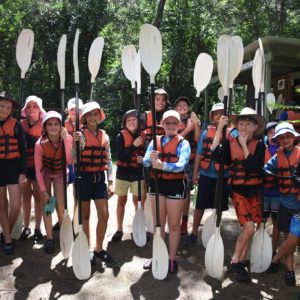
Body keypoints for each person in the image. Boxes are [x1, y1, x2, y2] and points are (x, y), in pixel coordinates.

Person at [212, 107, 266, 282]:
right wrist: (220, 129)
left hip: (255, 191)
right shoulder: (230, 143)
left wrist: (243, 145)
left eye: (247, 124)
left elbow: (254, 167)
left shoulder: (260, 146)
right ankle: (235, 261)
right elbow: (216, 156)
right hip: (238, 191)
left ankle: (242, 259)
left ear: (254, 127)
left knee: (251, 229)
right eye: (241, 123)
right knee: (249, 228)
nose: (243, 127)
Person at [143, 110, 191, 274]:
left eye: (174, 123)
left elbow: (182, 165)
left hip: (176, 185)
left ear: (179, 125)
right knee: (159, 224)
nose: (171, 126)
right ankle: (158, 255)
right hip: (157, 184)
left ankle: (171, 258)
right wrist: (151, 158)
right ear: (162, 124)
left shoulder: (183, 143)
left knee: (174, 225)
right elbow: (145, 161)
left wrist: (163, 165)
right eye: (167, 123)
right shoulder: (155, 142)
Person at [73, 101, 114, 264]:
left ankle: (99, 249)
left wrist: (111, 181)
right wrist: (74, 143)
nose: (92, 117)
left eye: (95, 114)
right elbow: (74, 159)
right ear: (84, 118)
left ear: (99, 116)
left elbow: (109, 159)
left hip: (99, 179)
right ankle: (87, 249)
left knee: (104, 215)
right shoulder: (79, 135)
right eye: (89, 114)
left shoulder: (105, 135)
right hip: (84, 178)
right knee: (85, 215)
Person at [184, 103, 229, 245]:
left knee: (219, 207)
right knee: (200, 205)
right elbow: (198, 155)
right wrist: (196, 173)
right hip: (206, 174)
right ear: (212, 117)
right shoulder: (205, 133)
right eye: (216, 113)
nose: (219, 116)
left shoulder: (231, 133)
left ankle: (215, 231)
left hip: (223, 176)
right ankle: (194, 232)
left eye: (222, 113)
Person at [264, 122, 300, 286]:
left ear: (293, 137)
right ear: (278, 140)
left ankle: (274, 260)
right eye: (282, 138)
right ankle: (290, 271)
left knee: (293, 238)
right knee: (287, 237)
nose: (285, 140)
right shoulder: (277, 157)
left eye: (288, 136)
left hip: (298, 204)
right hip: (285, 202)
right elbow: (266, 168)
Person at [34, 111, 73, 253]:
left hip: (60, 174)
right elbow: (38, 170)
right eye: (49, 124)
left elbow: (70, 160)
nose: (53, 127)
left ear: (61, 126)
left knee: (60, 206)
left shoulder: (66, 138)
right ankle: (49, 237)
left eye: (56, 124)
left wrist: (67, 139)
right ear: (44, 127)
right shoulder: (40, 144)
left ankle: (64, 233)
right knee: (47, 206)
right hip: (45, 175)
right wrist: (43, 191)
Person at [112, 110, 146, 242]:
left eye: (134, 120)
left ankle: (138, 227)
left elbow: (146, 155)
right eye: (129, 120)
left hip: (137, 174)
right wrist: (133, 146)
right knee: (121, 201)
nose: (131, 122)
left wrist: (142, 159)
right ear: (125, 123)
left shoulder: (143, 136)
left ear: (139, 122)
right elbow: (121, 156)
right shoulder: (120, 136)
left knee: (138, 203)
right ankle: (119, 229)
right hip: (123, 174)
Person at [0, 91, 27, 254]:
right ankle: (8, 240)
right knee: (1, 205)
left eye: (8, 107)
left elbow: (23, 150)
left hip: (14, 168)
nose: (4, 109)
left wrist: (22, 173)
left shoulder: (16, 125)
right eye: (2, 106)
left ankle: (5, 231)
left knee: (16, 205)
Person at [20, 96, 45, 241]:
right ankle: (26, 227)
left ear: (39, 109)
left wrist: (29, 140)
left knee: (38, 197)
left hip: (38, 167)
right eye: (28, 107)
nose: (31, 109)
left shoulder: (44, 124)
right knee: (26, 197)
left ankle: (38, 228)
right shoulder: (20, 124)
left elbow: (44, 143)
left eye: (34, 106)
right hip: (24, 166)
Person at [174, 96, 201, 235]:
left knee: (186, 194)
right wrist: (188, 128)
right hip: (175, 162)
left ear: (189, 108)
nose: (182, 106)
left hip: (189, 163)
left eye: (185, 105)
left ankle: (184, 223)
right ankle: (174, 222)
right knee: (175, 192)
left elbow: (197, 139)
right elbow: (174, 140)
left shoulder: (193, 121)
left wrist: (195, 124)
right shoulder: (172, 121)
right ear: (175, 109)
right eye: (179, 105)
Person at [63, 98, 84, 231]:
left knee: (77, 193)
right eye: (71, 109)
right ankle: (63, 217)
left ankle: (76, 219)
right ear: (68, 111)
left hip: (79, 164)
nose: (74, 111)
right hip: (65, 163)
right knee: (62, 192)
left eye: (77, 109)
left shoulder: (86, 125)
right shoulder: (63, 125)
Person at [263, 122, 280, 255]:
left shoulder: (284, 151)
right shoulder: (263, 150)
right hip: (264, 192)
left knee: (276, 222)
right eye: (270, 133)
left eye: (275, 132)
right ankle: (260, 246)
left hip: (278, 194)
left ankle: (273, 249)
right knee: (261, 220)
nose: (272, 135)